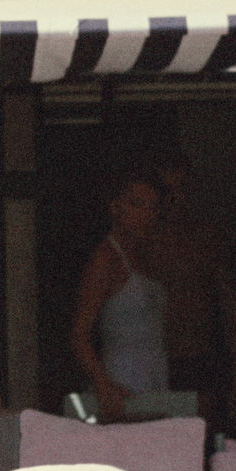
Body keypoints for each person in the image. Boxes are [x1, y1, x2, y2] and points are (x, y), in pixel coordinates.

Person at [141, 150, 236, 428]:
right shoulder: (139, 242)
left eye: (182, 189)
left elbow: (230, 307)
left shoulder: (206, 239)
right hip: (153, 361)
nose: (176, 198)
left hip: (200, 357)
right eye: (168, 191)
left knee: (199, 440)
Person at [70, 170, 169, 422]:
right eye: (136, 204)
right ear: (116, 207)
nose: (145, 214)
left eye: (152, 207)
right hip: (122, 384)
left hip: (157, 382)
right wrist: (102, 383)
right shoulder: (106, 259)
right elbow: (79, 334)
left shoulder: (149, 256)